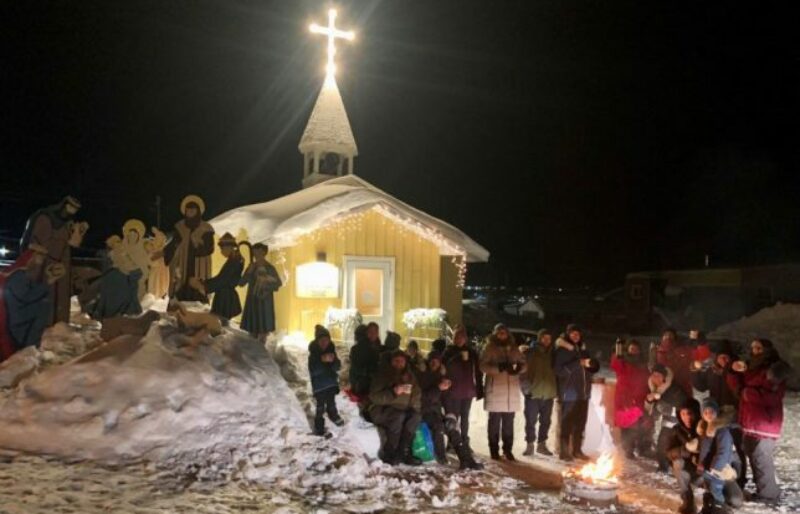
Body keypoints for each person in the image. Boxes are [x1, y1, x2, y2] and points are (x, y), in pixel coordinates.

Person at [727, 339, 791, 504]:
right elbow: (739, 390)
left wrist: (748, 393)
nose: (755, 350)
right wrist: (733, 372)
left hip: (765, 422)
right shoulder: (752, 367)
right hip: (750, 420)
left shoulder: (774, 369)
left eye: (759, 347)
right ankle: (763, 490)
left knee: (761, 459)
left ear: (767, 349)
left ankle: (769, 494)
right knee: (754, 457)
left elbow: (772, 397)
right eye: (753, 347)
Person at [19, 196, 88, 324]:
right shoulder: (45, 217)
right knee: (47, 294)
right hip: (46, 262)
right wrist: (51, 250)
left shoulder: (69, 223)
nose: (71, 211)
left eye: (75, 210)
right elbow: (36, 242)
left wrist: (79, 232)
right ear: (63, 205)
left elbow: (73, 243)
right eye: (70, 207)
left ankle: (59, 324)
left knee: (61, 294)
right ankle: (44, 322)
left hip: (62, 262)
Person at [692, 339, 745, 487]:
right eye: (721, 357)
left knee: (737, 447)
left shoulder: (736, 372)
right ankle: (710, 474)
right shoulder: (712, 371)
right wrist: (696, 370)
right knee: (712, 443)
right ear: (716, 358)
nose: (724, 360)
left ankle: (740, 480)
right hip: (715, 413)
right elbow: (700, 386)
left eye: (727, 357)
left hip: (732, 413)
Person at [418, 351, 483, 470]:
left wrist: (450, 413)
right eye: (432, 361)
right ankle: (441, 457)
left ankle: (466, 460)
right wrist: (438, 388)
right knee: (438, 427)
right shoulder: (421, 376)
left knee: (452, 426)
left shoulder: (441, 377)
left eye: (437, 361)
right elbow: (421, 398)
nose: (434, 363)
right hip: (423, 411)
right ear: (428, 362)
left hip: (436, 412)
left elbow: (446, 398)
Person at [0, 244, 65, 360]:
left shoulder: (23, 275)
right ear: (31, 259)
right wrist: (47, 284)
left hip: (16, 314)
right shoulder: (19, 275)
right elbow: (26, 296)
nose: (40, 263)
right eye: (39, 258)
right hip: (15, 318)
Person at [480, 323, 527, 461]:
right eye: (499, 332)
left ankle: (508, 450)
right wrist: (498, 368)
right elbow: (482, 365)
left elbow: (524, 363)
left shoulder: (514, 348)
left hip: (511, 392)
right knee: (494, 423)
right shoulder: (489, 348)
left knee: (508, 424)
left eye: (504, 332)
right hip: (495, 390)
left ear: (507, 334)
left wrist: (519, 368)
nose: (502, 335)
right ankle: (494, 449)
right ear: (495, 334)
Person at [553, 323, 599, 461]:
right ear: (568, 334)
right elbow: (559, 371)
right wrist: (577, 363)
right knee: (566, 424)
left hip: (583, 394)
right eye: (572, 333)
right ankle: (564, 452)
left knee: (580, 424)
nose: (575, 336)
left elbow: (588, 367)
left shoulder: (583, 349)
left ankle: (577, 450)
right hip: (569, 394)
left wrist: (592, 367)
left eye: (577, 333)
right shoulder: (562, 350)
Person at [369, 350, 422, 466]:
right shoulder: (383, 374)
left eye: (402, 361)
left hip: (403, 408)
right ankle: (390, 453)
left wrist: (413, 406)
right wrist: (393, 392)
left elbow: (417, 393)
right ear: (391, 362)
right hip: (382, 409)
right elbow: (374, 397)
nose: (399, 363)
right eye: (396, 361)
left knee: (415, 417)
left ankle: (404, 452)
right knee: (398, 416)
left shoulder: (409, 376)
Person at [161, 195, 215, 302]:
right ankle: (180, 299)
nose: (190, 212)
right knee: (181, 281)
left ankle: (200, 301)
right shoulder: (180, 226)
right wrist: (165, 252)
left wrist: (199, 246)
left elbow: (210, 247)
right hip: (183, 261)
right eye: (188, 210)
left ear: (198, 211)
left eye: (192, 210)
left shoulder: (206, 228)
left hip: (200, 262)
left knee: (197, 282)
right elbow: (174, 243)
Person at [696, 398, 744, 514]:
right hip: (707, 469)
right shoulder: (705, 430)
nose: (709, 415)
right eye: (705, 412)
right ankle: (708, 508)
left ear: (717, 413)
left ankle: (721, 509)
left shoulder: (722, 431)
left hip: (719, 470)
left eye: (711, 412)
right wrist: (700, 463)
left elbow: (724, 451)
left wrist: (716, 468)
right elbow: (704, 449)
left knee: (715, 489)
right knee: (708, 489)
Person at [442, 325, 483, 450]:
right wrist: (456, 357)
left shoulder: (471, 352)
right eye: (456, 337)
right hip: (453, 390)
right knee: (453, 417)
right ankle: (452, 441)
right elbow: (443, 368)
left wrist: (479, 389)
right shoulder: (448, 351)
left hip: (468, 390)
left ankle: (465, 441)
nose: (459, 339)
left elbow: (478, 371)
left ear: (465, 339)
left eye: (461, 337)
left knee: (465, 417)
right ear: (453, 338)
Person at [610, 338, 651, 459]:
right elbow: (614, 364)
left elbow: (647, 379)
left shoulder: (643, 365)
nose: (634, 350)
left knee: (639, 425)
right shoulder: (622, 361)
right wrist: (617, 353)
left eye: (636, 349)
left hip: (639, 398)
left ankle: (641, 448)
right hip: (624, 398)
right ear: (627, 349)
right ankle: (628, 449)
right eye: (631, 348)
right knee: (626, 426)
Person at [520, 328, 557, 456]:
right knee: (530, 421)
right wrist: (526, 389)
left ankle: (542, 445)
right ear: (539, 338)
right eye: (544, 338)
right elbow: (522, 372)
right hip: (533, 393)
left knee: (546, 421)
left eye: (549, 338)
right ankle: (530, 444)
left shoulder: (554, 354)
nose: (546, 341)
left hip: (548, 393)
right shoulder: (530, 353)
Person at [645, 364, 688, 472]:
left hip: (678, 422)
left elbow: (683, 408)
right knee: (662, 444)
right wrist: (649, 400)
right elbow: (649, 410)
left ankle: (669, 467)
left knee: (667, 443)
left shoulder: (674, 389)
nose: (655, 378)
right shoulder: (653, 388)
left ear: (664, 377)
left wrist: (663, 406)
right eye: (654, 375)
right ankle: (664, 466)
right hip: (665, 421)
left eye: (658, 375)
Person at [239, 243, 282, 338]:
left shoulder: (270, 268)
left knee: (264, 331)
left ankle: (261, 350)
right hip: (252, 302)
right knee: (252, 332)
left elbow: (278, 284)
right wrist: (249, 272)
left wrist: (266, 284)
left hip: (265, 303)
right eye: (254, 252)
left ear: (263, 252)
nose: (255, 254)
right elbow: (241, 283)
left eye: (258, 251)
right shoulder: (252, 267)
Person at [667, 398, 702, 514]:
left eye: (690, 413)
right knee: (677, 462)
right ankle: (687, 499)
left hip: (702, 470)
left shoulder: (703, 428)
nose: (687, 417)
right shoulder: (677, 430)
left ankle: (713, 501)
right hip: (685, 470)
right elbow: (668, 453)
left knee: (734, 500)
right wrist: (684, 450)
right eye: (683, 414)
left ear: (696, 413)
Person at [308, 325, 344, 436]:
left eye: (326, 340)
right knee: (320, 406)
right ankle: (319, 425)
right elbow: (313, 371)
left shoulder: (331, 351)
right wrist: (322, 360)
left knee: (331, 402)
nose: (324, 342)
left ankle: (333, 414)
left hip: (331, 384)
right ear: (317, 341)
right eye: (321, 340)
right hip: (319, 386)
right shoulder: (313, 355)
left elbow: (338, 367)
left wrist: (333, 361)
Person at [199, 233, 244, 320]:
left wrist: (204, 285)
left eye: (222, 249)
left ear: (229, 247)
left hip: (226, 298)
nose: (221, 252)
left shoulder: (235, 261)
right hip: (224, 295)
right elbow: (221, 278)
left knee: (221, 322)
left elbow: (222, 279)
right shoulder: (234, 259)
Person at [653, 328, 694, 396]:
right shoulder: (656, 351)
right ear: (662, 337)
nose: (668, 337)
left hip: (682, 387)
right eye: (666, 335)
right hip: (663, 389)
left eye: (670, 335)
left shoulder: (682, 350)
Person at [349, 324, 380, 400]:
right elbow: (355, 368)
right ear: (365, 334)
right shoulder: (358, 349)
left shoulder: (377, 346)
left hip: (373, 385)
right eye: (370, 332)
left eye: (375, 332)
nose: (373, 334)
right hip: (363, 385)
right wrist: (370, 372)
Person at [121, 219, 150, 300]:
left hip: (138, 279)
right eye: (130, 235)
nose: (132, 237)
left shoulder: (141, 251)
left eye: (135, 235)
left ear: (138, 236)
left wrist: (142, 279)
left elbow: (145, 270)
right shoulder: (124, 248)